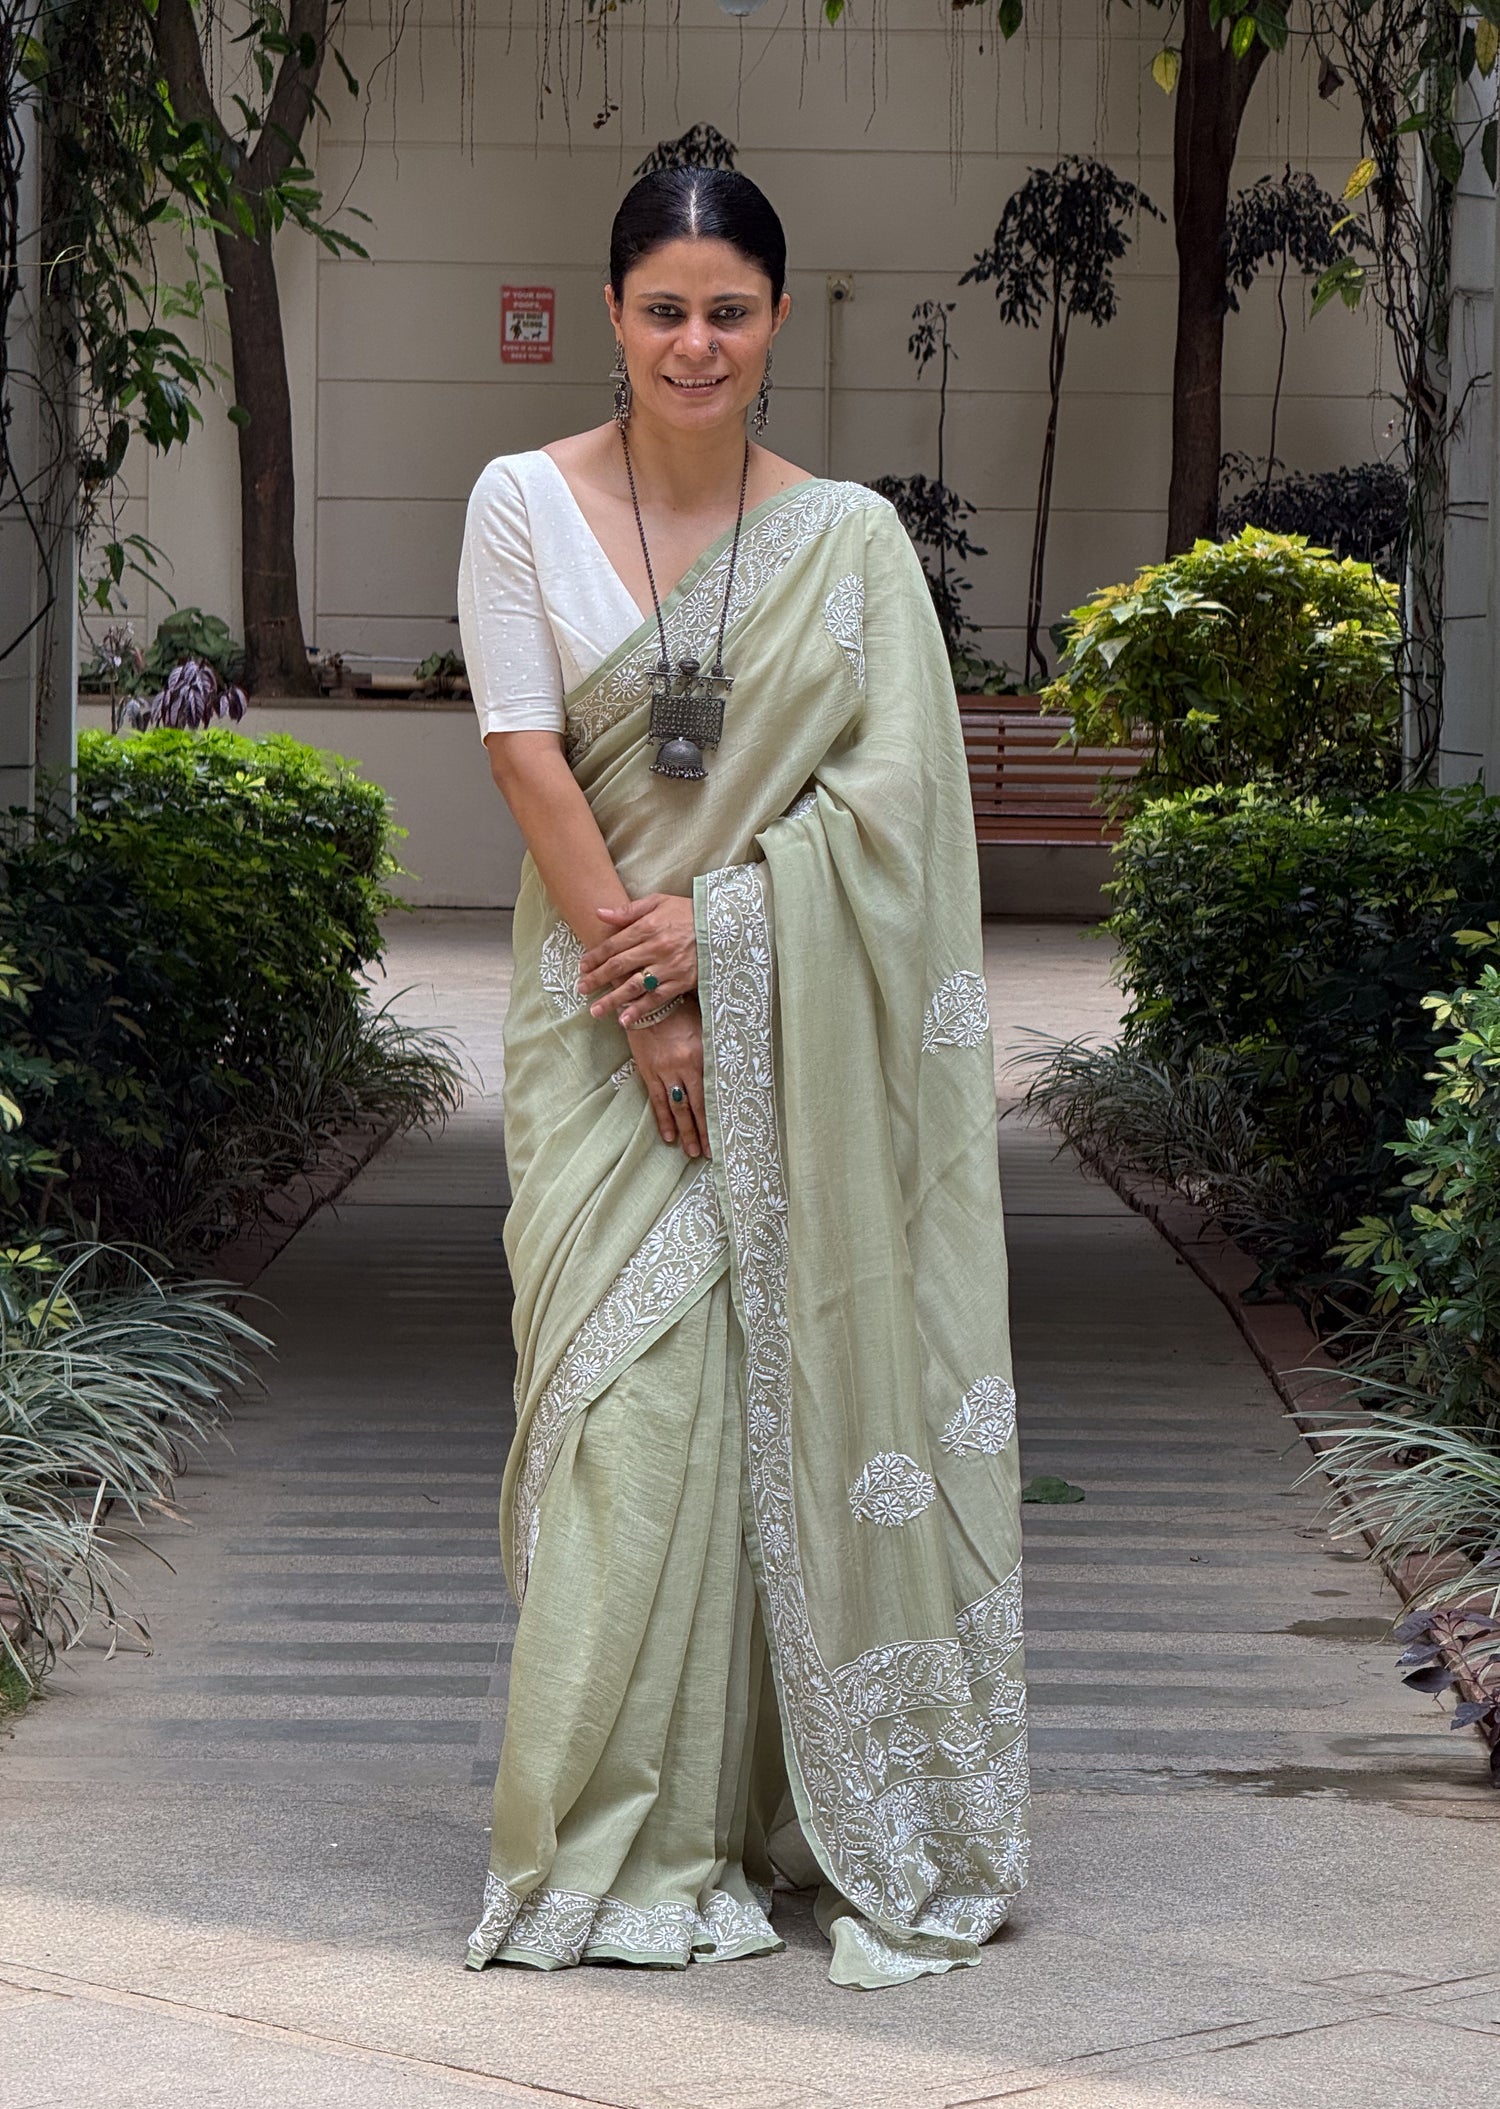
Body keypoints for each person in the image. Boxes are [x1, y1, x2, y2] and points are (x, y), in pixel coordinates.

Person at [456, 167, 1028, 1992]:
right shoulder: (522, 501)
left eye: (728, 309)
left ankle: (745, 1808)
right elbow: (529, 760)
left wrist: (731, 935)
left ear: (776, 319)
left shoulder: (847, 545)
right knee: (626, 1424)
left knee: (755, 1398)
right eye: (663, 308)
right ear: (612, 315)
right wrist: (651, 998)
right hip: (593, 1025)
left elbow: (897, 810)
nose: (694, 343)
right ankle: (607, 1836)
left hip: (774, 1025)